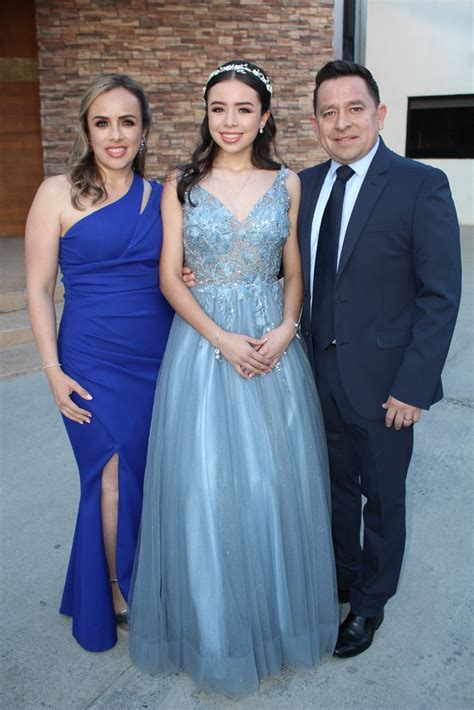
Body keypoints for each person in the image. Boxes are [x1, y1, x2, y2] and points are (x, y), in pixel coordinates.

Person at [129, 61, 338, 698]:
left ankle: (275, 621)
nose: (230, 121)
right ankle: (213, 630)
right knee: (205, 482)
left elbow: (292, 269)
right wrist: (220, 338)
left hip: (273, 348)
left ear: (265, 117)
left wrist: (284, 329)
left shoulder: (289, 184)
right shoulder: (181, 185)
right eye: (218, 108)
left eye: (244, 109)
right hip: (203, 346)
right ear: (206, 114)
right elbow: (170, 276)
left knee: (274, 483)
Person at [297, 60, 461, 658]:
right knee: (333, 489)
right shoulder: (304, 185)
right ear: (315, 121)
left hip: (388, 382)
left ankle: (370, 603)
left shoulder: (421, 184)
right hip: (315, 376)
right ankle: (341, 579)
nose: (342, 123)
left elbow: (440, 295)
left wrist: (414, 385)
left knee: (383, 496)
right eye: (329, 112)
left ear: (380, 114)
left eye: (354, 108)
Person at [25, 74, 174, 652]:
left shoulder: (163, 197)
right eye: (103, 122)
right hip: (88, 357)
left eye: (127, 122)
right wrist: (52, 371)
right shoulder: (56, 192)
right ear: (87, 129)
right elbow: (39, 290)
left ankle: (109, 580)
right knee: (109, 476)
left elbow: (174, 273)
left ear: (143, 130)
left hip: (156, 354)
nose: (115, 135)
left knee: (142, 476)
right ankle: (115, 589)